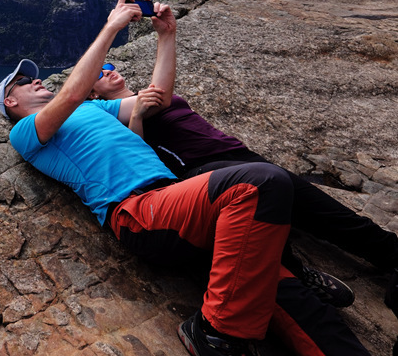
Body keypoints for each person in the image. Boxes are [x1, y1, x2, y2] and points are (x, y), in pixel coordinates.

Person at [0, 0, 370, 356]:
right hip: (140, 212)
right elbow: (72, 94)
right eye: (24, 83)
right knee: (262, 182)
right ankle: (215, 332)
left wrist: (167, 34)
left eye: (34, 77)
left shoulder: (96, 110)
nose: (36, 81)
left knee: (293, 299)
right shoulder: (26, 132)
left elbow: (158, 97)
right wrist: (110, 28)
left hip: (181, 204)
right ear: (11, 102)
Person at [89, 60, 398, 319]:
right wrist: (139, 115)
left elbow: (168, 95)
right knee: (266, 216)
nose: (107, 71)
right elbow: (136, 153)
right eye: (98, 74)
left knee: (320, 208)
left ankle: (390, 253)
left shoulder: (148, 92)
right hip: (204, 170)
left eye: (108, 66)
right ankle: (298, 276)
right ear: (92, 94)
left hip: (239, 155)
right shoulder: (108, 116)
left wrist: (167, 32)